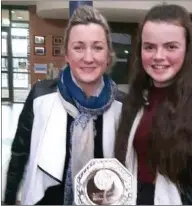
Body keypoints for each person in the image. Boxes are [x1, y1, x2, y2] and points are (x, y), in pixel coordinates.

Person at [4, 5, 125, 205]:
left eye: (97, 47)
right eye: (78, 47)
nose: (88, 57)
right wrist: (8, 200)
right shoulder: (41, 96)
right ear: (67, 54)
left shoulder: (123, 105)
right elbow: (19, 155)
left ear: (108, 55)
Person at [115, 4, 192, 205]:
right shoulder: (135, 98)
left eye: (171, 46)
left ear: (187, 49)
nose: (158, 56)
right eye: (149, 47)